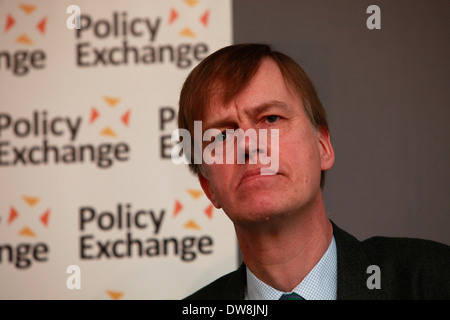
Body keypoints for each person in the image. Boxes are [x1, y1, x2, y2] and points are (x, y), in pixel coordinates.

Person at [177, 43, 450, 300]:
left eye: (271, 118)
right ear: (208, 185)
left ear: (323, 147)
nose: (248, 144)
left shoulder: (430, 280)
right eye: (223, 135)